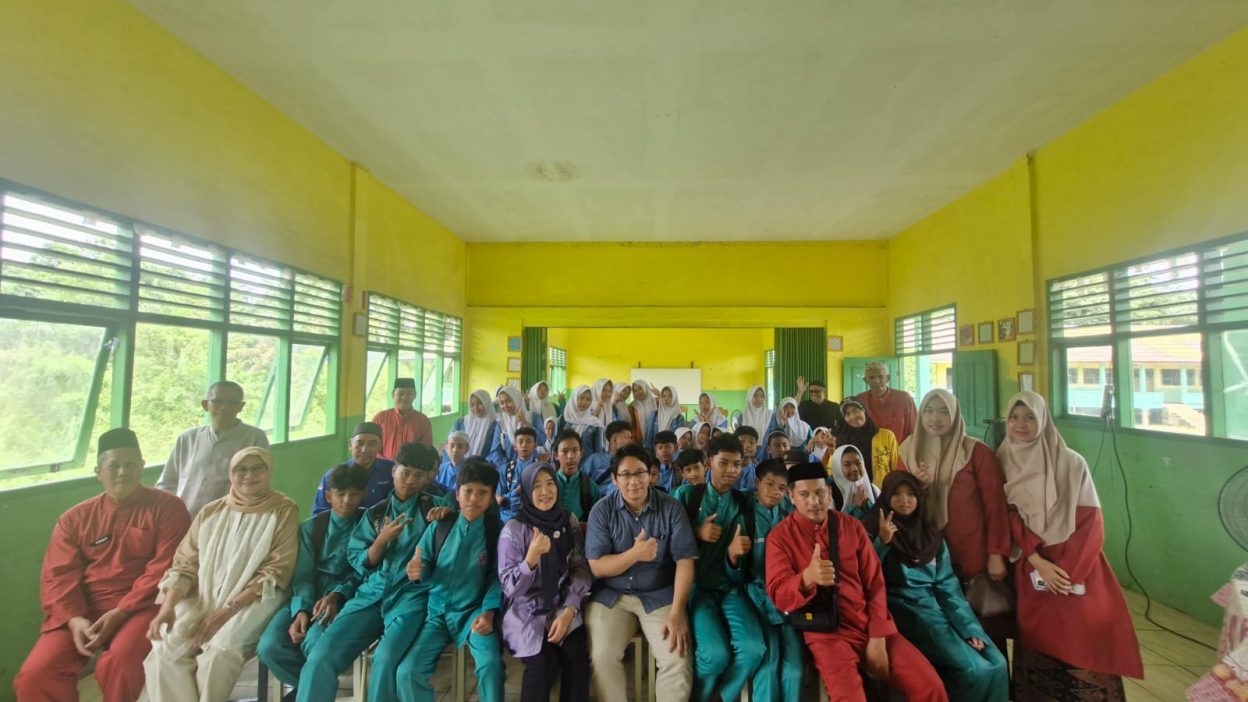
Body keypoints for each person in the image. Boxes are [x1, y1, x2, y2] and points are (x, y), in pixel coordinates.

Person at [14, 428, 191, 702]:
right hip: (82, 610)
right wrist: (74, 619)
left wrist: (122, 610)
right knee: (36, 674)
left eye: (130, 465)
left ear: (142, 466)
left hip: (142, 607)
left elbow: (164, 567)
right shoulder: (74, 519)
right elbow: (57, 576)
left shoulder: (169, 508)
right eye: (113, 466)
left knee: (121, 664)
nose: (122, 472)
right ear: (98, 472)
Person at [999, 391, 1143, 699]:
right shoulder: (1003, 461)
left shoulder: (1071, 462)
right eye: (1014, 417)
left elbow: (1091, 523)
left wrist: (1067, 575)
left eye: (1030, 417)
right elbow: (1008, 516)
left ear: (1043, 421)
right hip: (1031, 564)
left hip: (1075, 564)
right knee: (1038, 641)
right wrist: (1036, 561)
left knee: (1081, 640)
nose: (1021, 424)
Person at [765, 461, 946, 702]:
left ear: (830, 492)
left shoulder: (851, 527)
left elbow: (875, 582)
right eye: (804, 495)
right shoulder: (780, 538)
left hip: (868, 623)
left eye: (820, 493)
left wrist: (878, 635)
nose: (814, 501)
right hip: (826, 633)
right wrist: (807, 578)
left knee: (930, 686)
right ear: (791, 497)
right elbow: (778, 594)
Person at [295, 443, 452, 702]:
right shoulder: (375, 514)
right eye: (405, 472)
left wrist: (447, 519)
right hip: (370, 595)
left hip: (411, 597)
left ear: (427, 477)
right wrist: (382, 540)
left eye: (418, 475)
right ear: (393, 471)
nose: (410, 480)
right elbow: (359, 560)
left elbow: (451, 553)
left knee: (385, 660)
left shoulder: (435, 510)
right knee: (321, 655)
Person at [144, 447, 300, 702]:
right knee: (165, 649)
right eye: (241, 469)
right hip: (204, 594)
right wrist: (168, 607)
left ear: (269, 471)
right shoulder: (211, 511)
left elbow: (276, 570)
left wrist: (228, 610)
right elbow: (184, 564)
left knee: (220, 651)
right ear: (231, 473)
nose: (249, 475)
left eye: (257, 469)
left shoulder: (283, 510)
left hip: (255, 597)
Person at [865, 472, 1008, 702]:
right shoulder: (872, 528)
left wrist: (969, 629)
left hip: (935, 610)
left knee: (997, 663)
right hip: (902, 612)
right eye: (897, 494)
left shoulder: (931, 536)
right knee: (974, 670)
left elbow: (948, 588)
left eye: (911, 494)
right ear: (886, 496)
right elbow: (865, 578)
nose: (904, 500)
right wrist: (882, 543)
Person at [585, 445, 696, 702]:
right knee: (602, 656)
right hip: (612, 596)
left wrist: (677, 611)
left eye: (640, 473)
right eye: (626, 474)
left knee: (676, 658)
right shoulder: (602, 511)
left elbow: (685, 561)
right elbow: (597, 566)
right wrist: (634, 554)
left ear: (650, 475)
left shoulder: (671, 508)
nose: (634, 481)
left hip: (659, 596)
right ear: (614, 479)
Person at [396, 458, 505, 702]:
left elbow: (497, 577)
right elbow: (421, 563)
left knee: (490, 665)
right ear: (457, 494)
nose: (474, 498)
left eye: (482, 493)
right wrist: (416, 571)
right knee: (407, 672)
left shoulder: (496, 532)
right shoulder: (440, 526)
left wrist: (489, 612)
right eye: (468, 491)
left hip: (475, 613)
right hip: (438, 613)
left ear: (491, 498)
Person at [257, 463, 368, 688]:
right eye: (340, 494)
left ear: (364, 495)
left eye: (354, 494)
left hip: (347, 598)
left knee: (315, 641)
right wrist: (302, 610)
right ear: (328, 496)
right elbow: (303, 575)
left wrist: (338, 594)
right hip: (307, 594)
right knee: (269, 647)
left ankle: (315, 689)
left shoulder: (368, 525)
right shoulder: (312, 529)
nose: (347, 500)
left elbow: (365, 571)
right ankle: (315, 688)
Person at [672, 435, 765, 702]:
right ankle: (700, 696)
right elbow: (668, 543)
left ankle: (721, 697)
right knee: (714, 654)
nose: (731, 470)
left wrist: (733, 556)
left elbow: (744, 567)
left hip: (732, 589)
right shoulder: (686, 496)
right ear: (708, 463)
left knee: (753, 649)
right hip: (696, 589)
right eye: (723, 463)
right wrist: (696, 533)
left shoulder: (745, 503)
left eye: (737, 464)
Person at [898, 390, 1010, 596]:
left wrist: (996, 553)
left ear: (955, 414)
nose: (935, 418)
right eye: (928, 411)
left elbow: (995, 506)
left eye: (944, 412)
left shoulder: (976, 452)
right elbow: (897, 501)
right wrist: (918, 487)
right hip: (924, 549)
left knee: (973, 606)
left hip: (970, 548)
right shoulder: (908, 451)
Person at [498, 463, 592, 702]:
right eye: (536, 486)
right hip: (524, 609)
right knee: (542, 665)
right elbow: (509, 587)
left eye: (550, 484)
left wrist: (570, 609)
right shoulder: (514, 529)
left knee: (576, 656)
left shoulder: (568, 521)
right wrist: (530, 559)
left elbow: (579, 567)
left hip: (562, 602)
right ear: (526, 491)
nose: (545, 492)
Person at [156, 380, 270, 517]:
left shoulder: (254, 438)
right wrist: (164, 515)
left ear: (241, 406)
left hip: (226, 519)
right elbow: (167, 482)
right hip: (183, 518)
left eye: (232, 402)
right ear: (205, 405)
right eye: (218, 401)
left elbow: (257, 485)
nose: (224, 407)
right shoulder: (188, 438)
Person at [744, 459, 803, 701]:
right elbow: (737, 571)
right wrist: (733, 557)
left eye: (781, 488)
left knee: (794, 669)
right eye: (769, 484)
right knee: (768, 665)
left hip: (787, 598)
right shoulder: (745, 515)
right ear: (757, 483)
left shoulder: (791, 517)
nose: (775, 492)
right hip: (755, 597)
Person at [312, 422, 394, 514]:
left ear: (380, 446)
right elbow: (319, 514)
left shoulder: (392, 471)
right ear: (350, 445)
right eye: (360, 443)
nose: (364, 450)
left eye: (372, 444)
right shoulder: (333, 476)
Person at [835, 396, 900, 489]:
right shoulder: (842, 441)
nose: (853, 416)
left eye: (856, 410)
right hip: (854, 492)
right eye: (847, 414)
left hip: (882, 491)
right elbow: (838, 471)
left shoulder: (886, 436)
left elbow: (895, 467)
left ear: (864, 411)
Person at [857, 362, 918, 445]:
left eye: (880, 377)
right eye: (871, 377)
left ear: (888, 378)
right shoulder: (860, 400)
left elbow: (915, 428)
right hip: (870, 450)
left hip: (901, 450)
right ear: (865, 380)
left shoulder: (904, 398)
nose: (876, 381)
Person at [372, 377, 433, 460]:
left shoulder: (423, 421)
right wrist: (385, 463)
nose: (404, 397)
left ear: (414, 396)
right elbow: (372, 445)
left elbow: (426, 448)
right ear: (393, 395)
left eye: (409, 394)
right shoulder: (380, 419)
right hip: (383, 465)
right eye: (400, 393)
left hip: (412, 466)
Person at [492, 426, 541, 522]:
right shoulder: (505, 469)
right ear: (515, 446)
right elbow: (499, 499)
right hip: (507, 518)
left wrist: (508, 500)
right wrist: (516, 492)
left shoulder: (540, 470)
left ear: (535, 446)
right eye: (520, 442)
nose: (524, 445)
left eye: (528, 442)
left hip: (532, 517)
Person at [554, 429, 601, 521]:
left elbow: (598, 521)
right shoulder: (548, 483)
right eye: (565, 451)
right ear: (556, 455)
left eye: (575, 450)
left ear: (581, 454)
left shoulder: (591, 487)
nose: (570, 456)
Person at [581, 420, 636, 491]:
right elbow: (580, 482)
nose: (630, 441)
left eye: (631, 438)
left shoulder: (630, 462)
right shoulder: (594, 459)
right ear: (615, 440)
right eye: (627, 437)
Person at [496, 385, 546, 462]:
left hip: (531, 464)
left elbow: (542, 440)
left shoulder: (533, 417)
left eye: (509, 401)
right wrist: (507, 466)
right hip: (509, 466)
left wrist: (526, 423)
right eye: (502, 403)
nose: (505, 405)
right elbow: (495, 451)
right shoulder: (501, 422)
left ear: (516, 399)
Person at [828, 445, 880, 520]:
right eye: (847, 465)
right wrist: (854, 507)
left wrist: (867, 503)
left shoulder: (874, 490)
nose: (854, 469)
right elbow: (831, 525)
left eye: (858, 463)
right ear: (838, 468)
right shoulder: (830, 495)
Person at [450, 389, 501, 458]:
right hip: (460, 462)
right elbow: (450, 444)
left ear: (487, 403)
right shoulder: (461, 422)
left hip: (484, 463)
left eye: (480, 403)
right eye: (472, 405)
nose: (476, 408)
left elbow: (496, 451)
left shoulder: (495, 424)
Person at [562, 384, 606, 455]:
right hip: (568, 460)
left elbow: (598, 451)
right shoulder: (565, 420)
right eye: (581, 398)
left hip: (588, 461)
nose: (585, 402)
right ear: (575, 399)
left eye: (588, 399)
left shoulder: (594, 423)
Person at [630, 380, 660, 446]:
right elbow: (633, 424)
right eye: (635, 391)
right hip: (640, 441)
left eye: (640, 389)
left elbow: (670, 405)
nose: (638, 392)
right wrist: (633, 440)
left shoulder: (655, 401)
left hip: (658, 438)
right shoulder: (633, 405)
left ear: (645, 388)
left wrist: (659, 394)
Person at [732, 426, 760, 491]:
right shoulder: (726, 469)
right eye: (742, 441)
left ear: (756, 447)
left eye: (751, 442)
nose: (747, 445)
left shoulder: (759, 473)